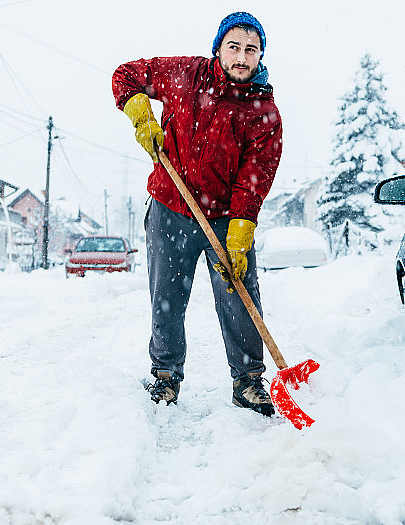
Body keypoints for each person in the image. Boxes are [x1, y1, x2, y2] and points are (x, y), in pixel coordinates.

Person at [112, 12, 282, 416]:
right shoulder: (185, 75)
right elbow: (126, 75)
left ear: (261, 55)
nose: (242, 58)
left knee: (239, 296)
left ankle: (248, 382)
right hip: (172, 206)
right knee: (167, 297)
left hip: (226, 218)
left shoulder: (264, 113)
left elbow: (255, 176)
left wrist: (241, 230)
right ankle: (165, 378)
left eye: (251, 50)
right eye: (234, 47)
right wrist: (141, 114)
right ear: (218, 47)